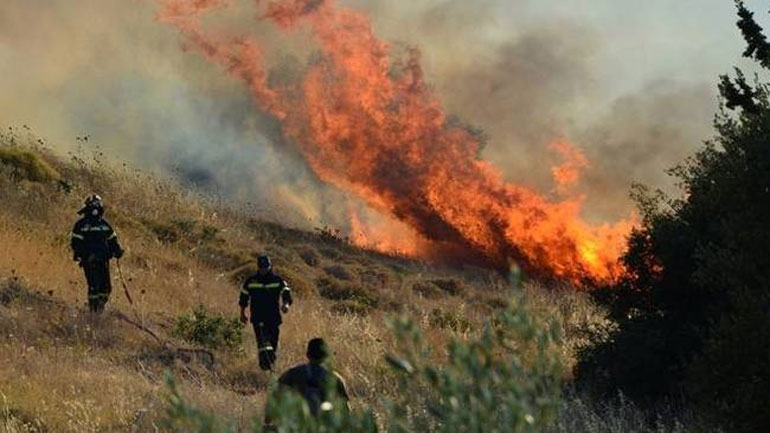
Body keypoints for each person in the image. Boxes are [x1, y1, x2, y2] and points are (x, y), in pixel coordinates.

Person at [70, 194, 124, 313]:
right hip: (89, 261)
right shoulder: (81, 225)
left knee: (106, 288)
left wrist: (117, 251)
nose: (95, 208)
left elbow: (112, 240)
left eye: (97, 205)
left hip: (103, 260)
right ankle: (93, 311)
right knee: (94, 286)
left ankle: (100, 308)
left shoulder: (104, 225)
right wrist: (82, 255)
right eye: (92, 205)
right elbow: (75, 243)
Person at [239, 255, 293, 371]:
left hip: (273, 317)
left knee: (273, 343)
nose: (263, 270)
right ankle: (265, 366)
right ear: (258, 267)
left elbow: (286, 293)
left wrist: (286, 305)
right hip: (258, 317)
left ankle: (270, 364)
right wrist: (242, 313)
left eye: (265, 267)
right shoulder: (251, 281)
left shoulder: (278, 280)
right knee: (263, 342)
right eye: (261, 267)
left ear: (270, 267)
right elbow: (243, 297)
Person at [277, 338, 349, 416]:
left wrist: (268, 421)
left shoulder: (292, 373)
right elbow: (345, 409)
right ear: (326, 357)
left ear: (308, 355)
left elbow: (275, 397)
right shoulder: (335, 378)